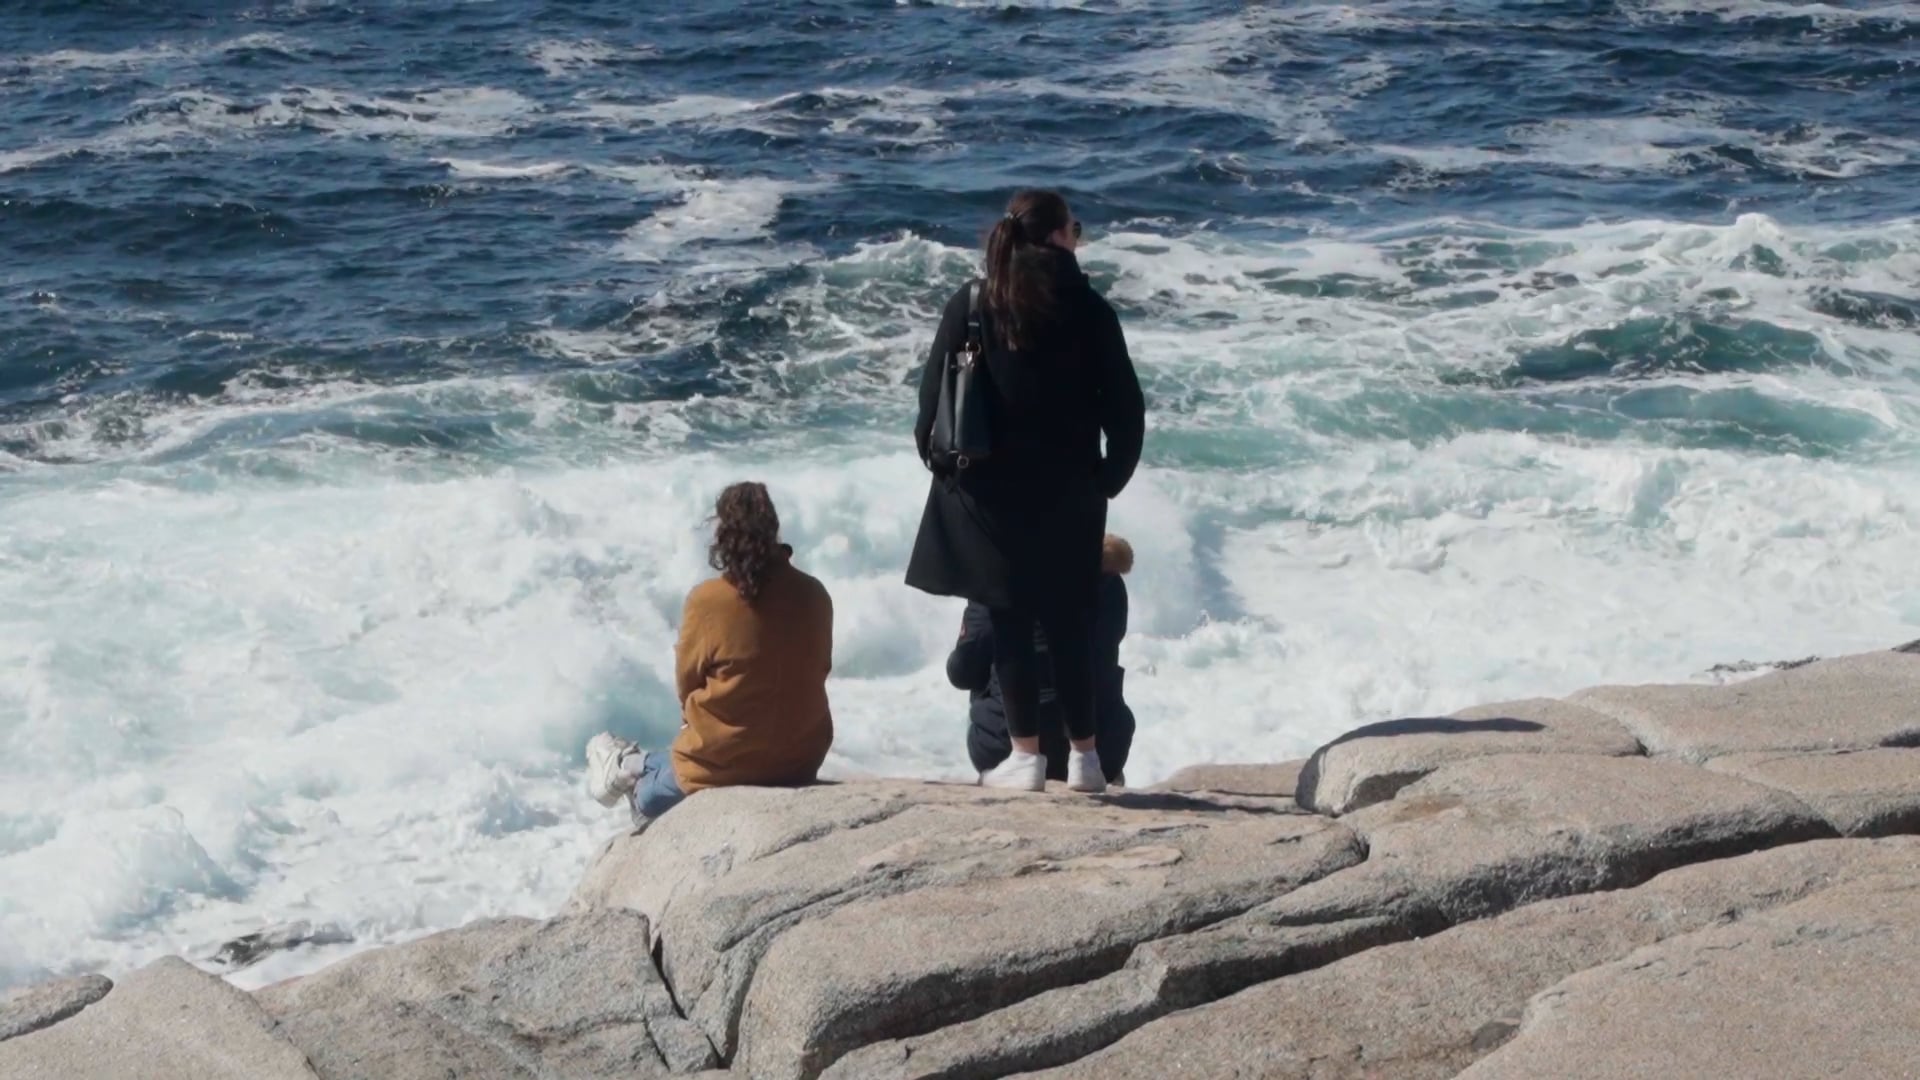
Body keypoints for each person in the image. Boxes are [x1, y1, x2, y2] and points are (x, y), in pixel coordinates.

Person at [906, 188, 1146, 794]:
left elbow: (932, 404)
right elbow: (1127, 412)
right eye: (1077, 229)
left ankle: (1026, 759)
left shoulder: (974, 303)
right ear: (1060, 237)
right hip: (1072, 491)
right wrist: (1106, 481)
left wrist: (950, 476)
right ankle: (1088, 761)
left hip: (992, 495)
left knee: (1010, 618)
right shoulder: (1091, 310)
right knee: (1071, 618)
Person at [584, 482, 834, 824]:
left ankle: (626, 766)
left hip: (722, 764)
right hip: (800, 761)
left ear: (723, 535)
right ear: (774, 530)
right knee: (683, 757)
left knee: (647, 800)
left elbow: (687, 687)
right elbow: (820, 668)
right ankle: (633, 762)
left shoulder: (708, 600)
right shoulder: (814, 593)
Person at [948, 534, 1138, 786]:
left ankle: (1018, 761)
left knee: (986, 664)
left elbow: (963, 673)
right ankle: (1099, 771)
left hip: (1000, 746)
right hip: (1104, 751)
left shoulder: (997, 575)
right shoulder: (1110, 582)